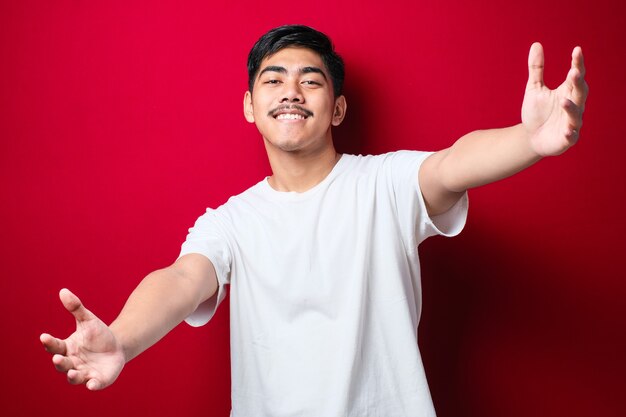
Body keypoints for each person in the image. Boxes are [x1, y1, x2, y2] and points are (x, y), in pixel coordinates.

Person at [40, 25, 588, 416]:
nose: (291, 92)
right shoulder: (231, 222)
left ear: (338, 109)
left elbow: (451, 164)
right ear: (251, 106)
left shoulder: (385, 184)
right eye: (273, 80)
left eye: (311, 80)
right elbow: (182, 280)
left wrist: (529, 141)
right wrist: (123, 343)